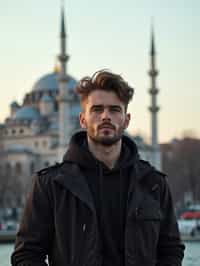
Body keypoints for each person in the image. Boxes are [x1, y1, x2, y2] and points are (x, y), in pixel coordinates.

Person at [11, 70, 185, 266]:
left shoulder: (153, 184)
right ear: (83, 120)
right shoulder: (51, 184)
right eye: (97, 109)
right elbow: (26, 255)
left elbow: (171, 250)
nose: (105, 116)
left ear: (126, 120)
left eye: (114, 109)